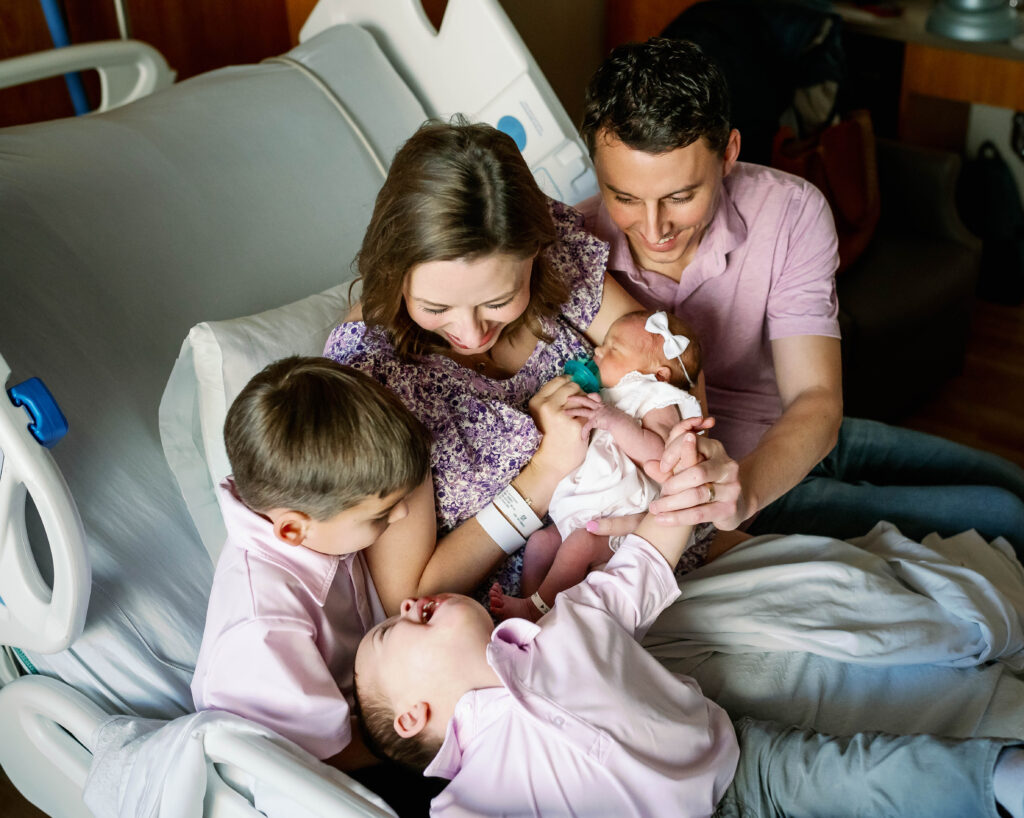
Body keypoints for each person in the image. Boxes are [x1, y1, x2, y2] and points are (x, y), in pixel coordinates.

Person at [352, 430, 1024, 818]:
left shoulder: (565, 625)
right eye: (391, 630)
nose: (411, 605)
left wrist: (679, 483)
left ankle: (996, 777)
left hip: (740, 766)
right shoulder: (466, 800)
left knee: (860, 777)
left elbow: (646, 557)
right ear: (413, 716)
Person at [577, 37, 1024, 554]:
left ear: (728, 155)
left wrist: (749, 488)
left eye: (680, 197)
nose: (652, 228)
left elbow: (815, 399)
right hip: (736, 496)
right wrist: (736, 502)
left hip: (798, 433)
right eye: (625, 197)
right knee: (1007, 515)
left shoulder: (790, 211)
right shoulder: (577, 247)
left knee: (1012, 483)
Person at [324, 118, 734, 613]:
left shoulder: (557, 266)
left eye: (500, 299)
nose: (472, 333)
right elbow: (410, 599)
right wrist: (543, 474)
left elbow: (664, 352)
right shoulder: (374, 377)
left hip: (667, 554)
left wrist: (676, 467)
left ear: (535, 256)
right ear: (393, 274)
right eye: (436, 309)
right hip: (534, 620)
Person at [190, 356, 430, 770]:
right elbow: (327, 755)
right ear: (292, 531)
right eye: (379, 515)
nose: (402, 516)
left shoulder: (321, 527)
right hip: (328, 769)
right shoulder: (265, 624)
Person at [489, 308, 712, 622]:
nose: (598, 350)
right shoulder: (608, 393)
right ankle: (532, 606)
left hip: (619, 516)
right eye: (604, 344)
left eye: (613, 349)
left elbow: (659, 456)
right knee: (540, 542)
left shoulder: (658, 397)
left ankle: (537, 607)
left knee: (579, 545)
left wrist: (616, 422)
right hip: (582, 511)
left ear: (658, 374)